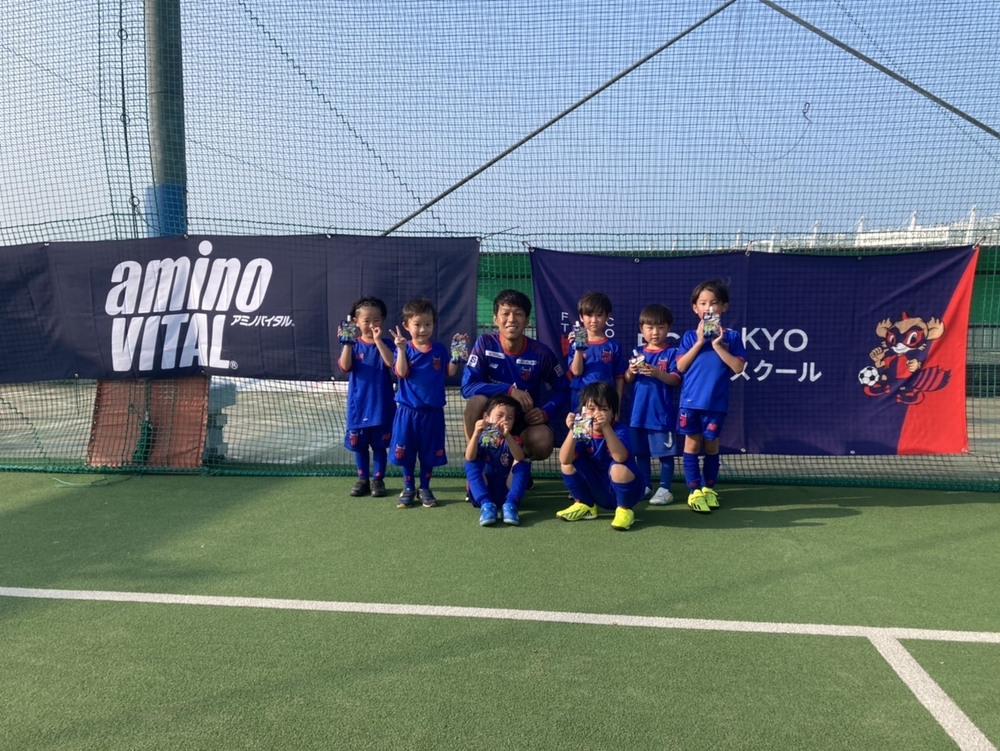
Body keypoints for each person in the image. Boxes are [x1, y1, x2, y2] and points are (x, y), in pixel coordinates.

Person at [461, 289, 569, 469]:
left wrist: (546, 412)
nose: (511, 319)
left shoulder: (541, 353)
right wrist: (509, 390)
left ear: (527, 321)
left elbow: (563, 388)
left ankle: (518, 466)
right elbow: (467, 387)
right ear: (495, 319)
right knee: (475, 402)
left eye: (518, 314)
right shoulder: (485, 343)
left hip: (525, 421)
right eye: (505, 313)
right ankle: (476, 464)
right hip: (493, 419)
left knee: (542, 442)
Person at [675, 280, 747, 513]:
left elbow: (738, 368)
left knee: (711, 444)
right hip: (690, 402)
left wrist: (717, 345)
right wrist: (699, 342)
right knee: (692, 443)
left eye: (714, 303)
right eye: (703, 303)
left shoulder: (732, 337)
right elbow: (681, 367)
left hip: (716, 403)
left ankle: (708, 489)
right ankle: (694, 491)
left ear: (724, 307)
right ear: (695, 308)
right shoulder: (689, 337)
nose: (709, 308)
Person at [388, 297, 467, 508]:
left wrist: (457, 356)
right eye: (417, 324)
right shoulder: (404, 348)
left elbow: (450, 372)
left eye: (428, 324)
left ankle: (424, 488)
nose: (423, 329)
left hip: (433, 413)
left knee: (428, 453)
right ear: (406, 326)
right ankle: (408, 488)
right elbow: (401, 372)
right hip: (408, 412)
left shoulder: (439, 350)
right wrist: (401, 350)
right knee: (406, 452)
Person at [556, 381, 645, 531]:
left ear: (614, 413)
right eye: (591, 409)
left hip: (626, 489)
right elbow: (564, 459)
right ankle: (585, 505)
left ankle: (624, 510)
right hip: (597, 487)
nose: (597, 413)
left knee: (618, 468)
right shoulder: (582, 430)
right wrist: (573, 430)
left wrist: (605, 427)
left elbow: (620, 457)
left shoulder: (620, 429)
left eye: (603, 409)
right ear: (583, 411)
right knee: (568, 463)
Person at [337, 296, 396, 498]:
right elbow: (345, 366)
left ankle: (378, 480)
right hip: (358, 407)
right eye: (366, 321)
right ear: (356, 322)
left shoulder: (387, 344)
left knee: (380, 446)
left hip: (382, 406)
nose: (372, 325)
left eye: (376, 320)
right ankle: (362, 479)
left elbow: (391, 364)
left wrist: (378, 341)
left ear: (383, 320)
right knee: (360, 446)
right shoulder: (353, 345)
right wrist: (347, 343)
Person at [624, 303, 682, 505]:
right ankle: (645, 485)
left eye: (660, 327)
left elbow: (675, 380)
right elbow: (627, 379)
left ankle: (665, 488)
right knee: (640, 453)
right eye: (649, 327)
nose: (655, 332)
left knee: (665, 455)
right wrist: (631, 370)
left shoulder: (673, 353)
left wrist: (658, 373)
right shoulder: (638, 352)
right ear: (642, 329)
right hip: (638, 415)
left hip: (661, 415)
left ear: (669, 328)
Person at [464, 393, 531, 527]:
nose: (504, 420)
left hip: (506, 491)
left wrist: (507, 436)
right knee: (470, 462)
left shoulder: (513, 439)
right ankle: (487, 505)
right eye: (500, 415)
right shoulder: (481, 438)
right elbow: (469, 457)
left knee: (523, 461)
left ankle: (511, 505)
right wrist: (475, 434)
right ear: (486, 417)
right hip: (484, 491)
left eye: (510, 418)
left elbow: (519, 457)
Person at [567, 291, 627, 412]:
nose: (594, 320)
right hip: (581, 396)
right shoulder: (575, 342)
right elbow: (577, 372)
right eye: (589, 315)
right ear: (581, 317)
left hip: (606, 399)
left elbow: (619, 377)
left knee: (603, 424)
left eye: (599, 315)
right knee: (580, 424)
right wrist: (579, 348)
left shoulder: (614, 345)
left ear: (607, 316)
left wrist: (617, 406)